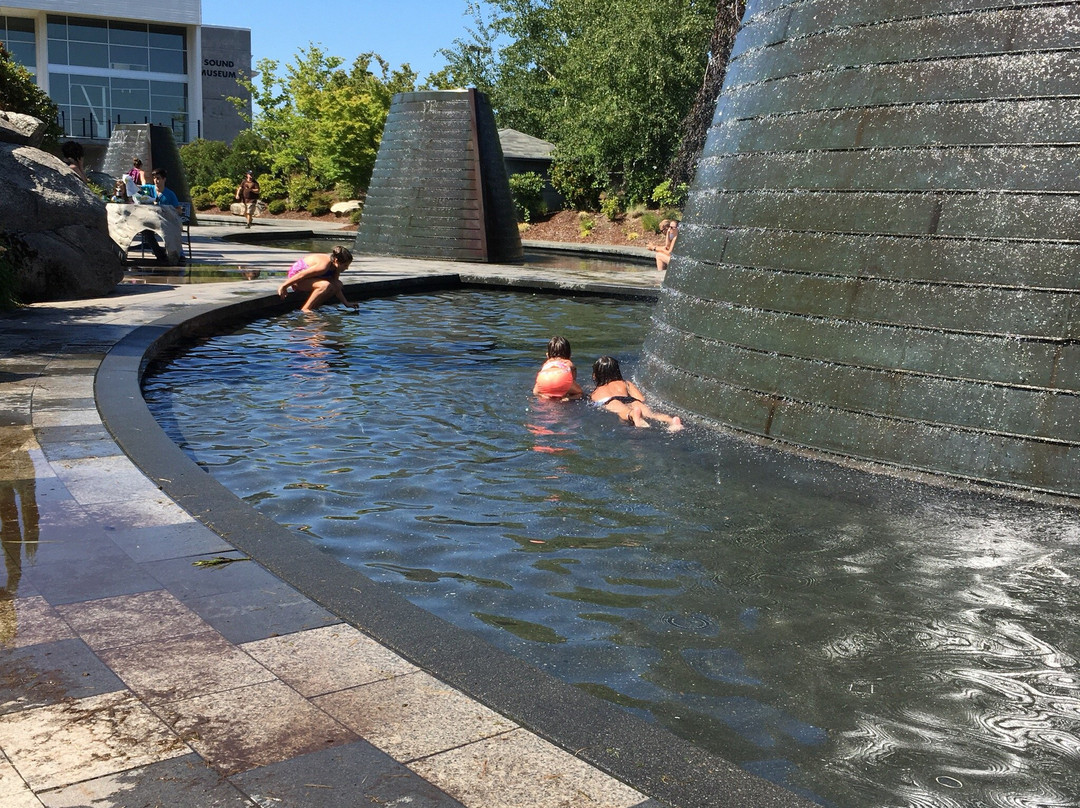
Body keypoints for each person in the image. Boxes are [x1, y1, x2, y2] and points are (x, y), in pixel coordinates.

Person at [591, 355, 683, 431]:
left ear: (595, 375)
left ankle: (633, 415)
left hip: (610, 401)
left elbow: (595, 402)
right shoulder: (626, 383)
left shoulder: (596, 391)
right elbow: (641, 399)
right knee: (651, 415)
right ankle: (671, 421)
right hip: (631, 399)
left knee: (624, 411)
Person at [277, 246, 359, 312]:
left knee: (338, 284)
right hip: (296, 278)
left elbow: (336, 287)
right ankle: (306, 309)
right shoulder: (323, 266)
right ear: (336, 261)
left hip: (309, 279)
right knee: (325, 285)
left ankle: (314, 307)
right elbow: (301, 275)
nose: (347, 268)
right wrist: (284, 286)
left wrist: (346, 303)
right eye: (345, 265)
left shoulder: (336, 268)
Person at [141, 168, 182, 262]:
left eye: (158, 178)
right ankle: (160, 254)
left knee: (170, 233)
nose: (156, 181)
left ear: (164, 179)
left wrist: (167, 209)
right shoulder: (149, 189)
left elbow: (179, 210)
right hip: (151, 221)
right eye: (154, 178)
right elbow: (136, 189)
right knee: (145, 231)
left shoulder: (170, 194)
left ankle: (174, 253)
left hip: (166, 222)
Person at [533, 336, 583, 400]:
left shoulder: (546, 363)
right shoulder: (569, 363)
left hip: (544, 379)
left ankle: (546, 397)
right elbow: (572, 379)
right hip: (562, 378)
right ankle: (566, 398)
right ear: (570, 354)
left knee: (536, 392)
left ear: (547, 355)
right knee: (579, 393)